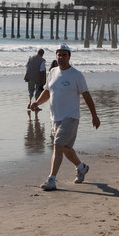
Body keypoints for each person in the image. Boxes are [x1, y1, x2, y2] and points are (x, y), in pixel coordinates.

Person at [28, 44, 100, 191]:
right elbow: (47, 92)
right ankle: (81, 167)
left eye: (64, 55)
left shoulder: (76, 75)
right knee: (66, 148)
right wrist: (36, 102)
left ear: (69, 56)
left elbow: (86, 95)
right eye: (59, 55)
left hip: (71, 117)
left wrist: (94, 115)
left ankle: (51, 179)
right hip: (55, 117)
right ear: (56, 56)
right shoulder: (53, 72)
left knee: (58, 146)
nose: (61, 57)